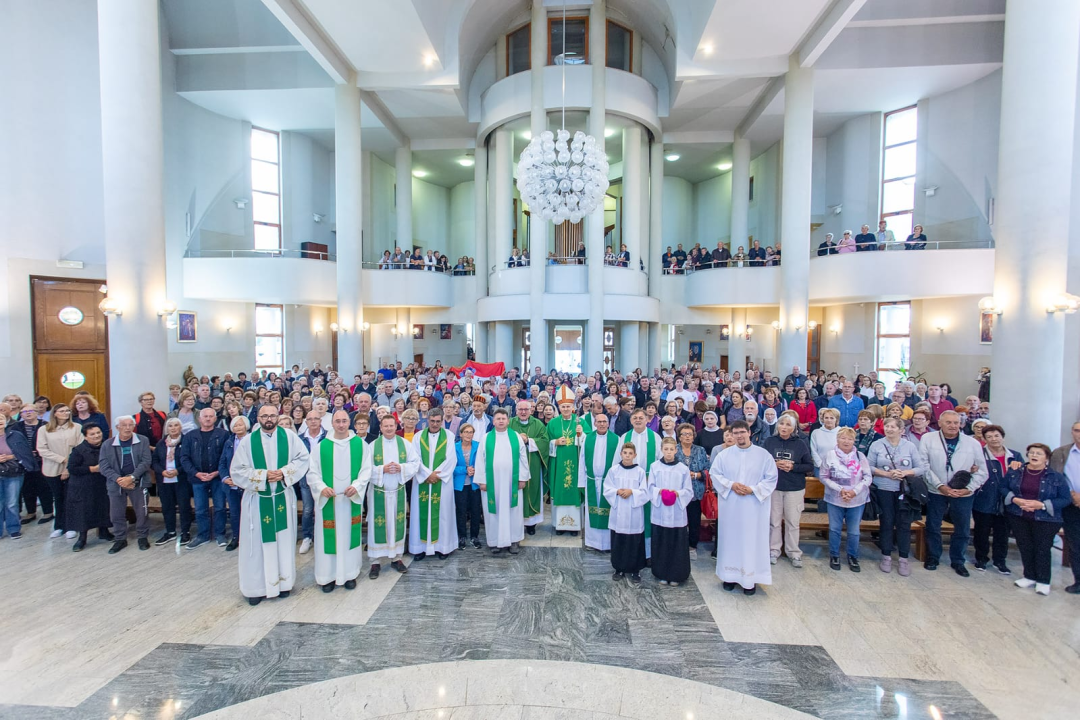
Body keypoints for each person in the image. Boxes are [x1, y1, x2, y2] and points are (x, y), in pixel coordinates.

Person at [229, 404, 310, 605]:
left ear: (277, 416)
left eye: (272, 415)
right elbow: (237, 471)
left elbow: (303, 459)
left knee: (283, 541)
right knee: (256, 544)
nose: (269, 419)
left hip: (282, 496)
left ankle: (283, 584)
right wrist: (264, 475)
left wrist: (283, 473)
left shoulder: (290, 438)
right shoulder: (248, 442)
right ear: (258, 418)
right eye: (264, 416)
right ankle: (255, 588)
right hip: (257, 501)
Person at [307, 409, 372, 592]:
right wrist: (321, 488)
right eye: (338, 421)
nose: (341, 424)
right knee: (328, 538)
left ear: (349, 423)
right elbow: (312, 473)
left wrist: (358, 486)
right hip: (329, 501)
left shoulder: (360, 444)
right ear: (332, 423)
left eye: (344, 421)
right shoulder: (322, 447)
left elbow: (367, 470)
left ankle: (350, 574)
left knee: (349, 537)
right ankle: (327, 576)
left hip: (350, 500)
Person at [710, 421, 777, 595]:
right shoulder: (724, 455)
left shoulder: (763, 455)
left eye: (742, 432)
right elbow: (715, 474)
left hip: (754, 506)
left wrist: (752, 489)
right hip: (731, 505)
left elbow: (771, 479)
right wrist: (731, 485)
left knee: (751, 540)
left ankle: (750, 580)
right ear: (731, 435)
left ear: (749, 433)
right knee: (730, 539)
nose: (739, 436)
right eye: (735, 433)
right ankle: (729, 576)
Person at [919, 410, 988, 575]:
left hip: (962, 493)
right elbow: (924, 465)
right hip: (936, 490)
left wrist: (968, 489)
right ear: (940, 423)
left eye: (956, 423)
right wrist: (940, 485)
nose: (952, 426)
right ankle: (933, 557)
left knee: (962, 528)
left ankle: (958, 560)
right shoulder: (928, 439)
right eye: (948, 422)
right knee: (933, 525)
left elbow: (982, 471)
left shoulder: (972, 443)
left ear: (961, 424)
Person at [1003, 443, 1072, 596]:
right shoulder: (1016, 472)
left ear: (1046, 458)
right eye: (1032, 453)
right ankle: (1029, 576)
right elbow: (1003, 487)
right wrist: (1015, 500)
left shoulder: (1056, 476)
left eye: (1039, 453)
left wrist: (1041, 505)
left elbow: (1065, 499)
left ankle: (1043, 580)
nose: (1034, 456)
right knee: (1025, 546)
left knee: (1042, 549)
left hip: (1046, 518)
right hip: (1019, 515)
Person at [867, 418, 926, 576]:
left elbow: (921, 467)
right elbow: (869, 466)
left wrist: (905, 473)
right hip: (884, 489)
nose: (889, 429)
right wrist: (886, 473)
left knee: (904, 524)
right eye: (887, 426)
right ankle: (886, 556)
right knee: (886, 522)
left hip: (904, 491)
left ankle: (903, 558)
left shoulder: (910, 446)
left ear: (901, 430)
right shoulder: (877, 444)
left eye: (893, 427)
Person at [367, 414, 421, 577]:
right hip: (378, 492)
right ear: (381, 428)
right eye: (386, 426)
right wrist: (381, 469)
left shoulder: (405, 444)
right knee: (376, 525)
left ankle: (396, 558)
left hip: (397, 491)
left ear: (396, 426)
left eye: (392, 426)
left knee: (397, 524)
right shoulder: (372, 446)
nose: (389, 428)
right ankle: (375, 562)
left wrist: (401, 468)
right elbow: (364, 468)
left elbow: (415, 463)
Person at [475, 407, 531, 555]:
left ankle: (514, 541)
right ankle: (495, 542)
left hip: (511, 482)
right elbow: (480, 460)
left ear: (508, 421)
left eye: (503, 419)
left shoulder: (516, 437)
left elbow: (523, 458)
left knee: (513, 511)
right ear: (493, 421)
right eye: (498, 419)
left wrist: (522, 478)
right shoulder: (486, 438)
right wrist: (482, 480)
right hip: (492, 482)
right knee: (493, 512)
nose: (501, 421)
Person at [762, 415, 813, 568]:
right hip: (774, 487)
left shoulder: (800, 444)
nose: (784, 427)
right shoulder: (769, 442)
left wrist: (793, 467)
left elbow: (809, 466)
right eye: (781, 424)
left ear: (793, 428)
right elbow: (761, 463)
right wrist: (774, 464)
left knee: (792, 522)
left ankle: (794, 553)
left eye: (788, 425)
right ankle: (773, 551)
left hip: (794, 488)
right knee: (774, 522)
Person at [97, 416, 153, 554]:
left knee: (142, 511)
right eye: (124, 425)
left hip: (138, 481)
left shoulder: (142, 440)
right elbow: (103, 466)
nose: (128, 428)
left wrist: (132, 477)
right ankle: (120, 538)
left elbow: (146, 462)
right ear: (117, 428)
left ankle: (142, 536)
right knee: (116, 513)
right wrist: (119, 479)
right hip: (116, 483)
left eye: (130, 425)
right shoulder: (107, 444)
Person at [409, 407, 458, 561]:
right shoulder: (418, 437)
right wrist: (426, 474)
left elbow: (451, 459)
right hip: (423, 481)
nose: (435, 424)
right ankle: (420, 548)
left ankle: (443, 547)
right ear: (427, 421)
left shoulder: (449, 436)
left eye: (438, 421)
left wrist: (436, 475)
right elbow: (415, 458)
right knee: (420, 514)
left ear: (442, 421)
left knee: (443, 514)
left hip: (442, 483)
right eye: (432, 421)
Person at [820, 427, 872, 572]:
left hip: (856, 499)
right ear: (837, 439)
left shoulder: (860, 456)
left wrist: (854, 491)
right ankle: (834, 555)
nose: (846, 441)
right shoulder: (829, 455)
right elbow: (823, 476)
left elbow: (868, 477)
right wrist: (840, 489)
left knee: (854, 530)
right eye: (843, 438)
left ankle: (852, 556)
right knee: (835, 528)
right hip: (835, 498)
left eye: (849, 438)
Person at [180, 408, 230, 549]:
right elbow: (184, 458)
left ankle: (220, 534)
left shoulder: (224, 435)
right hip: (198, 478)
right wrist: (196, 473)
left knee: (220, 507)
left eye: (210, 416)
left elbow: (227, 457)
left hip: (217, 478)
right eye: (205, 416)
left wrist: (217, 472)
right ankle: (203, 535)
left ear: (215, 419)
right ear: (199, 419)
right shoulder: (190, 436)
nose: (208, 419)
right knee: (201, 508)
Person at [973, 425, 1020, 574]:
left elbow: (1022, 477)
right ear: (985, 439)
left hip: (1006, 500)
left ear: (1002, 437)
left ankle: (1000, 561)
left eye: (997, 436)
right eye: (990, 437)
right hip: (984, 497)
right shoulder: (979, 454)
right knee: (982, 531)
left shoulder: (1015, 455)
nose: (994, 439)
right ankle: (981, 559)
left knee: (1003, 533)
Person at [603, 442, 649, 584]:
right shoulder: (614, 470)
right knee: (619, 540)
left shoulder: (640, 472)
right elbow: (607, 488)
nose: (627, 456)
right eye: (625, 453)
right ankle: (619, 568)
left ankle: (635, 570)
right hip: (619, 511)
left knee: (635, 541)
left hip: (634, 512)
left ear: (635, 455)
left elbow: (645, 492)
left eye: (630, 453)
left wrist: (631, 492)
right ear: (621, 454)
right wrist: (617, 491)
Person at [649, 437, 693, 586]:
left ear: (676, 450)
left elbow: (688, 490)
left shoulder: (683, 469)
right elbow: (650, 487)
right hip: (660, 510)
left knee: (676, 543)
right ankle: (661, 572)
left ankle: (676, 574)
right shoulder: (655, 467)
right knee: (661, 541)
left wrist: (677, 493)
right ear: (661, 450)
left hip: (676, 512)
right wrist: (659, 491)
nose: (668, 452)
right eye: (665, 449)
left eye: (671, 449)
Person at [36, 404, 83, 539]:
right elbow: (42, 449)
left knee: (70, 497)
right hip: (52, 468)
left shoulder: (76, 428)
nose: (65, 413)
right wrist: (61, 459)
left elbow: (79, 447)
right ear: (55, 413)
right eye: (62, 411)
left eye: (67, 411)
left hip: (72, 467)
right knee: (58, 497)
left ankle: (71, 526)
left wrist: (68, 464)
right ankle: (59, 526)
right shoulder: (44, 429)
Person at [62, 423, 111, 551]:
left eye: (98, 433)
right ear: (85, 437)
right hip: (83, 486)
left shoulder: (108, 446)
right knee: (83, 511)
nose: (96, 436)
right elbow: (72, 468)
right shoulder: (78, 450)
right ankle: (82, 538)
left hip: (102, 483)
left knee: (103, 507)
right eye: (92, 434)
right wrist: (92, 469)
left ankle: (104, 531)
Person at [546, 387, 584, 535]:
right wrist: (554, 442)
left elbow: (587, 442)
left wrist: (580, 436)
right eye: (563, 406)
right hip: (558, 464)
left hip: (575, 462)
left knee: (574, 491)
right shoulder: (553, 423)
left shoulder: (579, 421)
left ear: (573, 407)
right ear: (559, 407)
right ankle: (559, 525)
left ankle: (574, 527)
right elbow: (545, 442)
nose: (566, 408)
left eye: (568, 406)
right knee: (559, 491)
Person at [622, 408, 660, 558]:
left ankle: (648, 554)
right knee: (630, 516)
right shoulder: (625, 437)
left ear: (647, 420)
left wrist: (653, 480)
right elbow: (616, 463)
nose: (638, 420)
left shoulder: (655, 437)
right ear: (631, 421)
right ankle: (629, 550)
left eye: (641, 418)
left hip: (648, 482)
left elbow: (660, 461)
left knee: (647, 516)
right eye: (635, 418)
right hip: (628, 482)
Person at [578, 412, 618, 552]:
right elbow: (582, 461)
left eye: (604, 422)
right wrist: (581, 482)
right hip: (591, 481)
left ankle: (607, 544)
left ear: (608, 423)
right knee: (591, 513)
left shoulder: (616, 439)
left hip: (608, 483)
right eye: (599, 422)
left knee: (608, 513)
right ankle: (592, 542)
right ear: (594, 424)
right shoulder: (588, 439)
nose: (601, 424)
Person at [1049, 421, 1080, 594]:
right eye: (1077, 430)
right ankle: (1079, 581)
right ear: (1072, 432)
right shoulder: (1060, 453)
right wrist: (1072, 495)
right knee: (1076, 544)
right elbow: (1056, 478)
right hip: (1071, 505)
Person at [509, 400, 548, 535]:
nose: (523, 412)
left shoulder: (538, 424)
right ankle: (515, 522)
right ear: (516, 410)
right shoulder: (510, 423)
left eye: (526, 409)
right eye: (520, 410)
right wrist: (517, 439)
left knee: (532, 490)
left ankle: (531, 524)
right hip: (513, 464)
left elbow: (545, 441)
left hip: (533, 464)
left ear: (531, 410)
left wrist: (528, 441)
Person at [152, 418, 194, 546]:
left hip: (181, 479)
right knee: (167, 507)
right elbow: (154, 461)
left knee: (184, 506)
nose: (173, 428)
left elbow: (190, 460)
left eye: (176, 425)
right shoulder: (161, 443)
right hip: (164, 480)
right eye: (170, 426)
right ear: (167, 428)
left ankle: (185, 532)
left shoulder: (187, 441)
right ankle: (170, 532)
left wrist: (178, 470)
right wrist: (162, 471)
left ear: (180, 427)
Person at [0, 410, 37, 540]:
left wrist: (12, 456)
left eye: (2, 418)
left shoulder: (15, 435)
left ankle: (13, 529)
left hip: (14, 473)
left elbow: (25, 453)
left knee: (11, 503)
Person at [674, 423, 709, 559]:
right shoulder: (675, 449)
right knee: (678, 521)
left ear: (694, 436)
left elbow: (707, 468)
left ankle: (692, 546)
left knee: (694, 521)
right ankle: (679, 546)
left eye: (690, 434)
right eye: (684, 434)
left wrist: (695, 475)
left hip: (696, 491)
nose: (687, 437)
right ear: (679, 437)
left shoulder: (700, 450)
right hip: (678, 492)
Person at [14, 404, 46, 526]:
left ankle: (48, 512)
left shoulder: (45, 425)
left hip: (42, 460)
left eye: (31, 410)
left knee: (43, 487)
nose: (28, 413)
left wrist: (37, 451)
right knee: (27, 488)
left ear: (37, 412)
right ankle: (31, 512)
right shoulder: (16, 427)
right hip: (24, 462)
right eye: (24, 411)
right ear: (20, 414)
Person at [453, 423, 482, 549]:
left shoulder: (478, 446)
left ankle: (474, 536)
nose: (468, 434)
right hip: (460, 484)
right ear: (461, 434)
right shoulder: (454, 447)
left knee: (476, 511)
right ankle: (462, 536)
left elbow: (483, 462)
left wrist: (475, 469)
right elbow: (450, 466)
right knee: (461, 511)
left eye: (471, 432)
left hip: (474, 484)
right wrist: (465, 469)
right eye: (466, 432)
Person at [810, 408, 840, 476]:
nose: (829, 420)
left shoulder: (841, 432)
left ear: (836, 420)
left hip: (838, 469)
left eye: (832, 418)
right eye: (826, 418)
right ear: (822, 419)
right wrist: (821, 465)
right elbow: (813, 451)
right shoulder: (816, 433)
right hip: (819, 468)